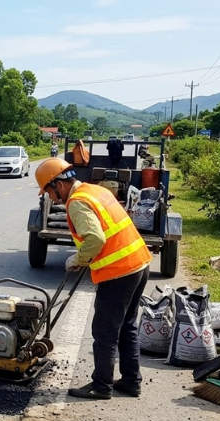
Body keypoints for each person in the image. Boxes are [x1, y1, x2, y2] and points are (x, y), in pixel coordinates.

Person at [35, 157, 151, 400]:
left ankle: (101, 386)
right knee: (126, 326)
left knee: (105, 331)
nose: (52, 198)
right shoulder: (94, 190)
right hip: (138, 263)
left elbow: (95, 239)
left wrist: (78, 259)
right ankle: (131, 381)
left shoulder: (77, 202)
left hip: (118, 271)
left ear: (58, 184)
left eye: (49, 192)